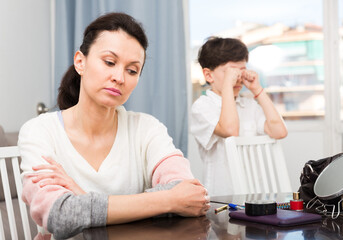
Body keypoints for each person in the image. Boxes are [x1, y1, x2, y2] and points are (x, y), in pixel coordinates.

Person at [18, 12, 210, 239]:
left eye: (132, 70)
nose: (119, 77)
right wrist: (168, 200)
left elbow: (190, 195)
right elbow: (60, 216)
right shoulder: (39, 131)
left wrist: (80, 196)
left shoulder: (147, 129)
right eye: (109, 62)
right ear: (80, 62)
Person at [191, 37, 287, 197]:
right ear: (208, 75)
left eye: (241, 70)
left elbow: (279, 131)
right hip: (222, 197)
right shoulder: (203, 106)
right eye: (230, 71)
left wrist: (257, 90)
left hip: (256, 195)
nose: (237, 78)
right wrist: (228, 84)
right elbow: (230, 130)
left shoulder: (249, 105)